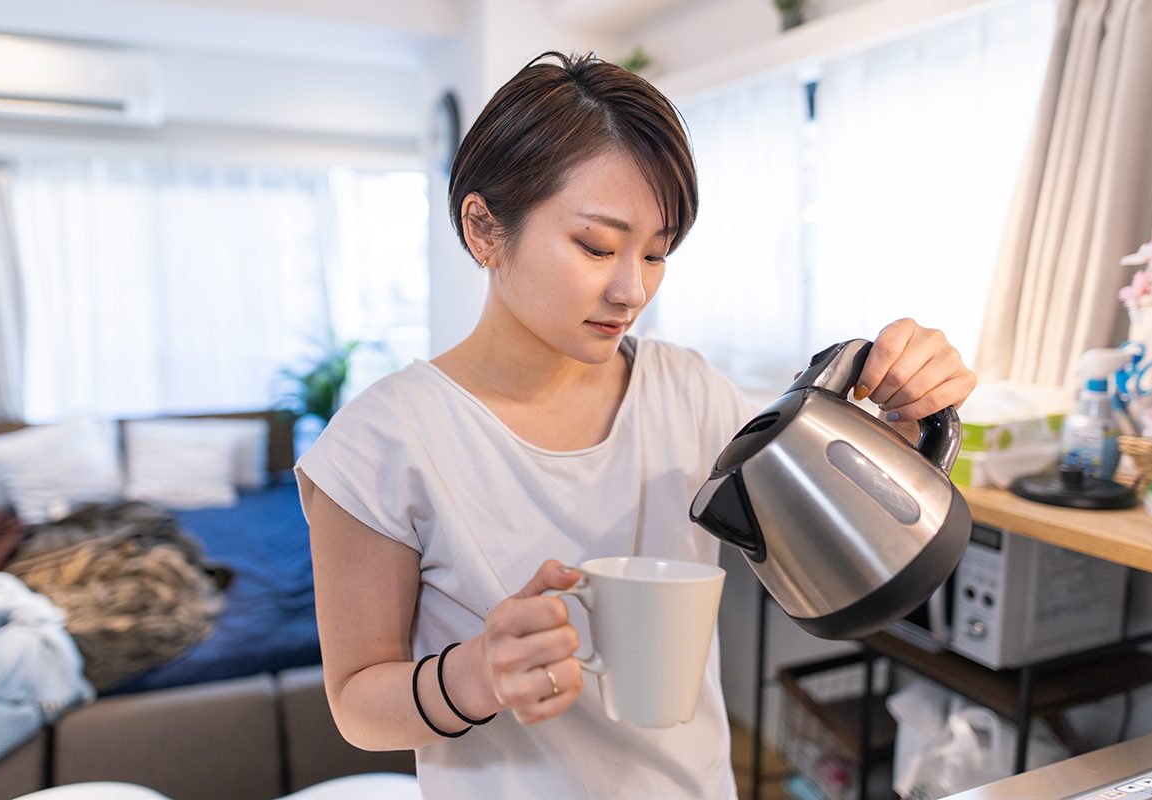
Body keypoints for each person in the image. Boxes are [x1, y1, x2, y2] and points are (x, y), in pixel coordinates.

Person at [295, 51, 978, 799]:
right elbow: (357, 704)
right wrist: (476, 674)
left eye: (657, 252)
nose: (632, 289)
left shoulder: (686, 392)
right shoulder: (380, 444)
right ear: (484, 228)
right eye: (596, 245)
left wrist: (907, 418)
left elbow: (827, 520)